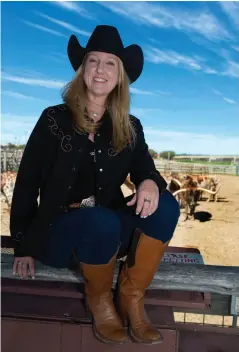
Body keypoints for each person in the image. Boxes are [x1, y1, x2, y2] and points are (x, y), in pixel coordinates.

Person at [10, 25, 180, 345]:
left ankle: (131, 298)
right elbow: (27, 182)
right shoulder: (53, 120)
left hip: (106, 232)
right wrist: (23, 246)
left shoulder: (130, 127)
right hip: (59, 230)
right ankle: (100, 301)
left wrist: (149, 182)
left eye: (110, 63)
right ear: (82, 69)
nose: (100, 69)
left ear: (120, 75)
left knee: (167, 205)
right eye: (93, 61)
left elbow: (147, 169)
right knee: (100, 219)